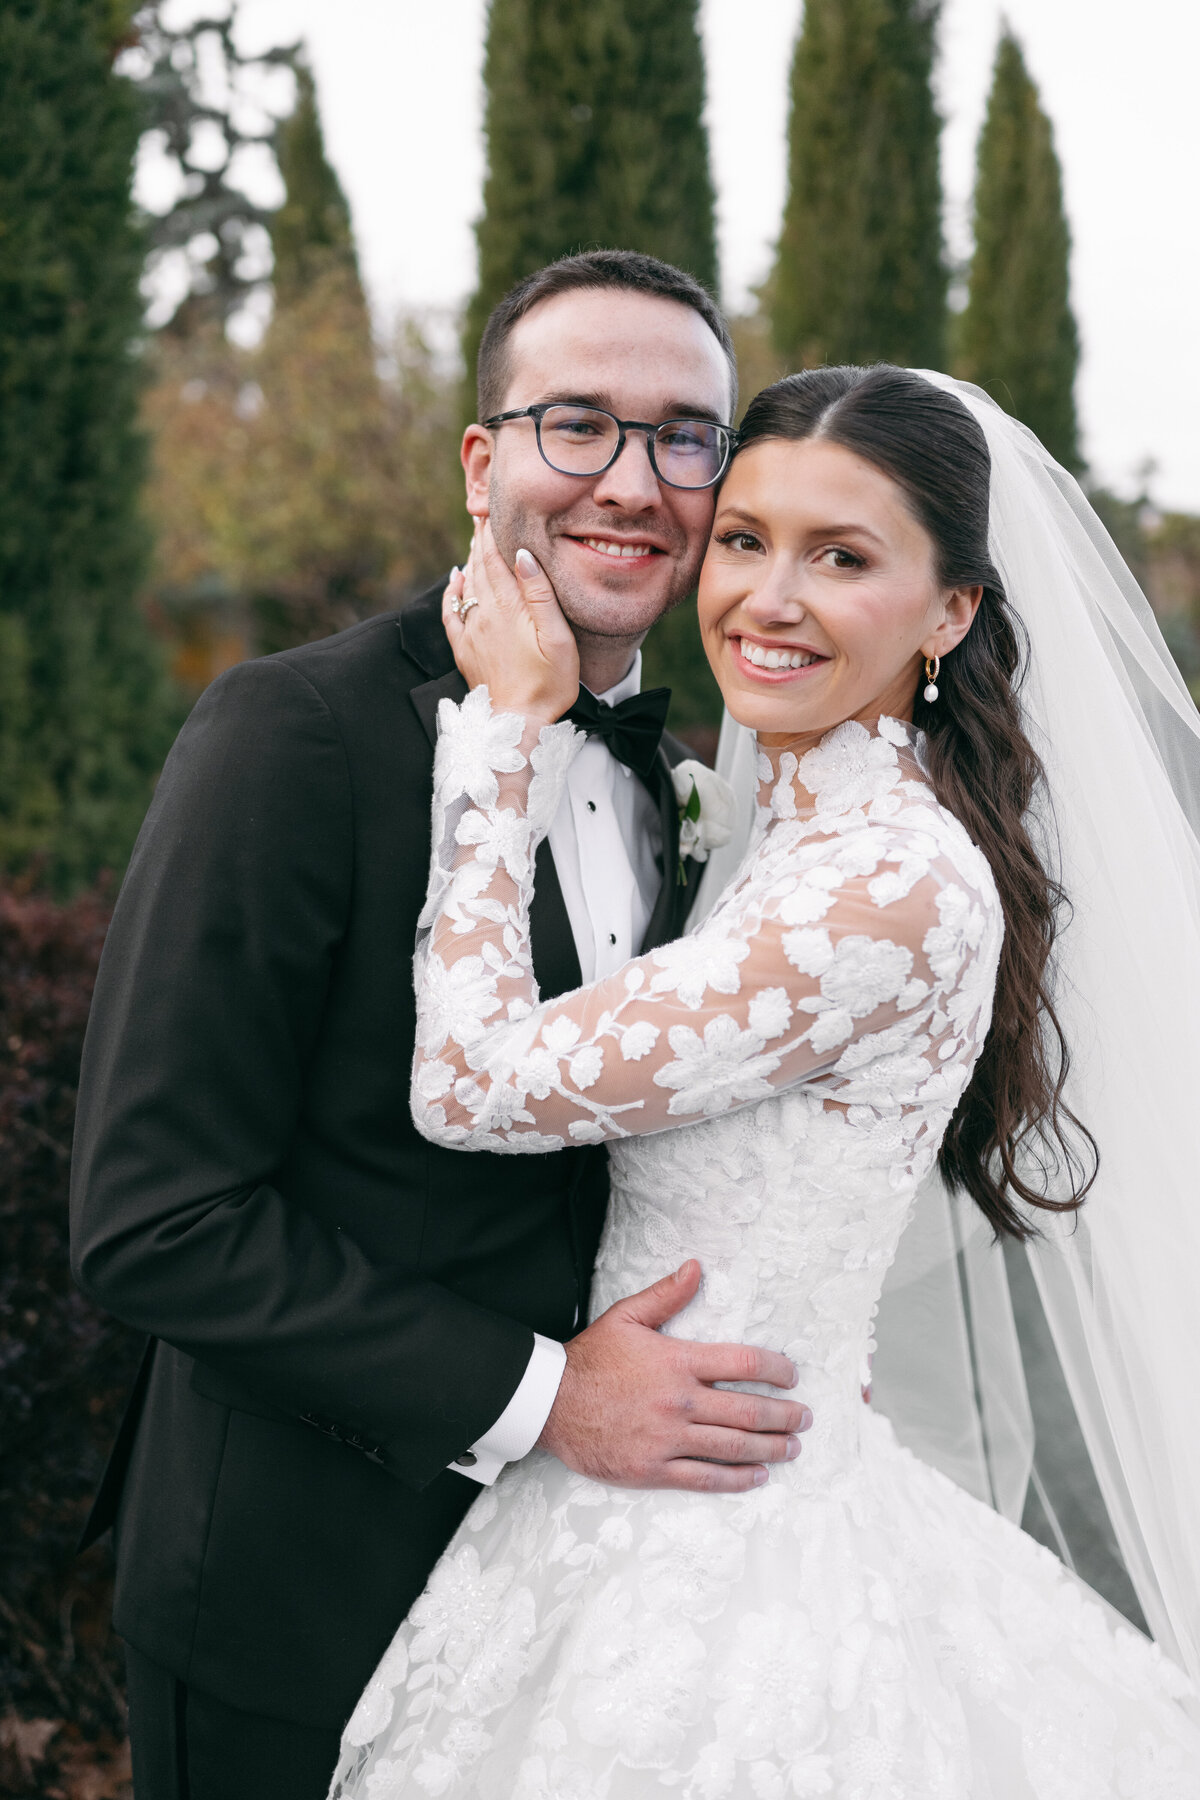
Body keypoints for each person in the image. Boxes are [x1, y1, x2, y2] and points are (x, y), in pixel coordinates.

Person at [329, 365, 1200, 1797]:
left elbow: (472, 1088)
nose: (767, 598)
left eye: (842, 557)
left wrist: (503, 731)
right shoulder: (798, 826)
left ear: (952, 612)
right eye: (744, 540)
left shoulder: (887, 886)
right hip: (659, 1465)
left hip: (717, 1545)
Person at [68, 251, 816, 1800]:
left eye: (685, 436)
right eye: (577, 425)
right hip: (296, 1593)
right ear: (484, 464)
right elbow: (155, 1222)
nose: (633, 481)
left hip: (583, 1600)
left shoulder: (686, 776)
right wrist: (550, 1396)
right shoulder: (297, 732)